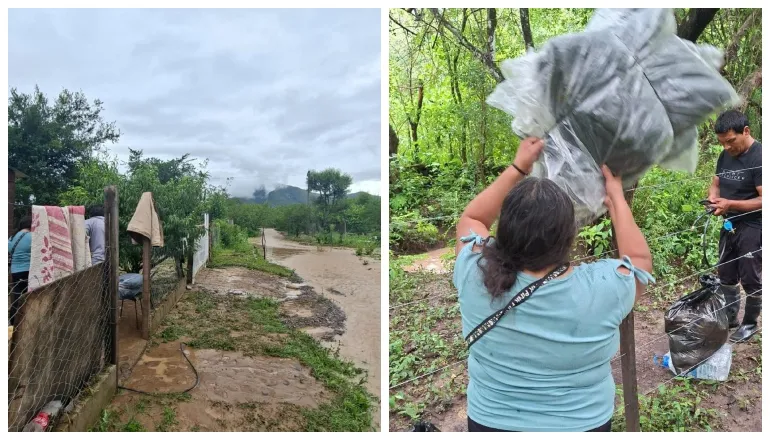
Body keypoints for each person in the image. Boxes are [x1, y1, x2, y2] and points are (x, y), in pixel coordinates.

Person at [453, 137, 654, 432]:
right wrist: (616, 197)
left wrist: (518, 166)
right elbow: (638, 260)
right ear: (568, 236)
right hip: (584, 424)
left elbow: (472, 217)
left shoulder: (476, 273)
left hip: (491, 423)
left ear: (505, 230)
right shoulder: (601, 288)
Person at [707, 110, 762, 343]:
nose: (727, 147)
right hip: (730, 223)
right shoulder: (725, 155)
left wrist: (731, 204)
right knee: (726, 272)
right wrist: (713, 199)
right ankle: (730, 317)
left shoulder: (760, 157)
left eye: (731, 141)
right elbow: (716, 182)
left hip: (754, 225)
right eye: (722, 143)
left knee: (751, 276)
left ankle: (750, 323)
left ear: (746, 131)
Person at [8, 216, 32, 325]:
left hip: (14, 270)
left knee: (17, 295)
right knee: (28, 295)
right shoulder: (31, 236)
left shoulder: (12, 237)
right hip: (27, 270)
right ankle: (25, 320)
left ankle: (13, 320)